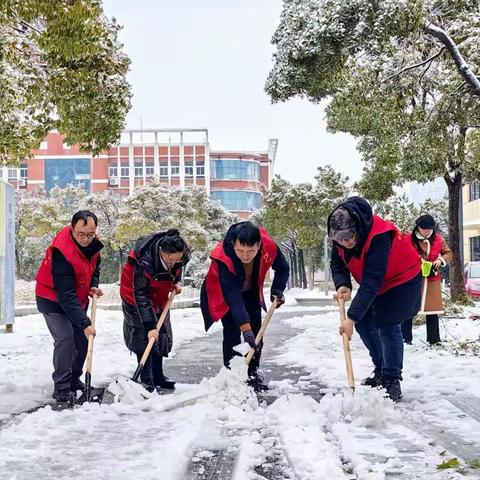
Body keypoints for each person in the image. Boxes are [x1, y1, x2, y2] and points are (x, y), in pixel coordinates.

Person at [328, 197, 422, 402]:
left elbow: (372, 281)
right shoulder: (340, 239)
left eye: (348, 238)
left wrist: (349, 318)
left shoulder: (379, 236)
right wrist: (343, 283)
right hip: (379, 282)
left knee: (388, 325)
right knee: (364, 322)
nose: (344, 243)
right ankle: (381, 367)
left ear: (358, 228)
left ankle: (391, 379)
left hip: (403, 279)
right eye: (339, 240)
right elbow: (337, 262)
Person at [200, 221, 289, 392]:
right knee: (233, 332)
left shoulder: (269, 246)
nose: (246, 256)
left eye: (251, 251)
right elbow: (233, 296)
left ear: (259, 245)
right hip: (224, 293)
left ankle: (252, 374)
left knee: (257, 334)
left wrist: (277, 289)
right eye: (240, 251)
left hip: (250, 291)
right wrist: (244, 328)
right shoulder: (223, 256)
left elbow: (283, 268)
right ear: (233, 245)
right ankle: (231, 375)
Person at [36, 210, 104, 404]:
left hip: (76, 298)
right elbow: (65, 294)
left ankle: (74, 379)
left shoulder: (93, 242)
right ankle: (62, 387)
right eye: (80, 234)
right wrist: (84, 323)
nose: (85, 239)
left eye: (90, 234)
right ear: (72, 229)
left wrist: (93, 284)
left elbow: (95, 267)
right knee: (66, 338)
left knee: (83, 339)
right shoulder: (61, 251)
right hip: (51, 298)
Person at [120, 229, 190, 391]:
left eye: (177, 259)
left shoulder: (179, 256)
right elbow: (141, 294)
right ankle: (146, 379)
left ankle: (158, 376)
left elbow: (175, 270)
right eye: (170, 259)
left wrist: (175, 283)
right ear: (161, 252)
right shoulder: (144, 261)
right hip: (135, 296)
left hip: (159, 295)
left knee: (161, 333)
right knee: (144, 335)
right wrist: (150, 325)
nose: (174, 262)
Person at [401, 214, 452, 345]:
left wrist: (440, 261)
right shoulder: (408, 239)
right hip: (413, 278)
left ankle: (434, 340)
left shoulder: (438, 239)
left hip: (432, 278)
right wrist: (418, 260)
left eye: (429, 229)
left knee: (432, 309)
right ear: (418, 227)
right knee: (408, 308)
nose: (427, 232)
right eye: (424, 229)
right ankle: (405, 339)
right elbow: (403, 254)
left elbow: (448, 253)